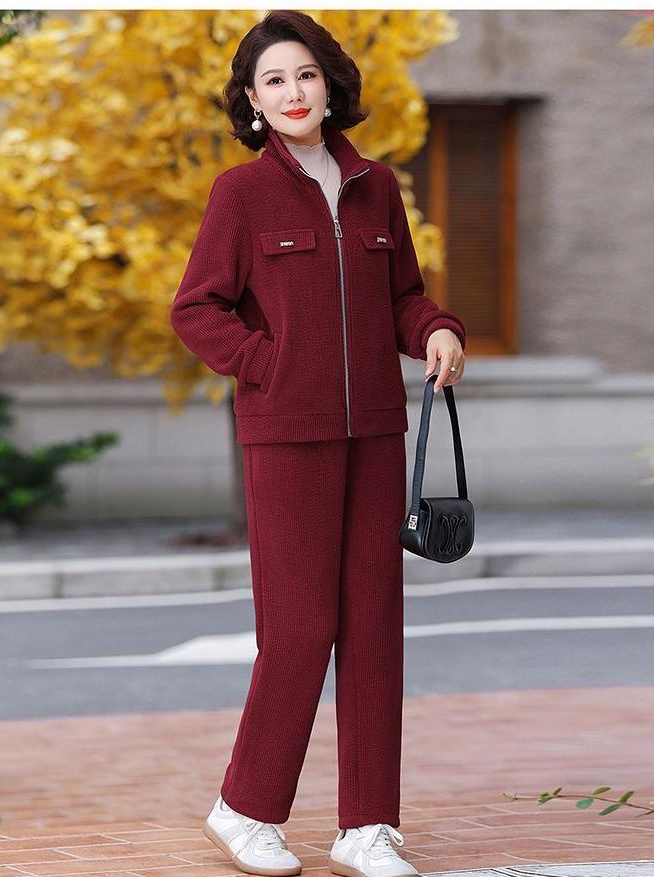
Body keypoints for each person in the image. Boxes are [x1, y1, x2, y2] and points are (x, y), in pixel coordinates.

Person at [169, 11, 466, 877]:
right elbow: (196, 309)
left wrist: (436, 328)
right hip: (286, 437)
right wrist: (270, 365)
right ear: (253, 102)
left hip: (375, 430)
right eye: (274, 81)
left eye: (305, 75)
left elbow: (403, 295)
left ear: (330, 86)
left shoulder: (376, 187)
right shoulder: (241, 194)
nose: (293, 92)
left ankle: (367, 826)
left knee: (374, 627)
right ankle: (246, 808)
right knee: (300, 627)